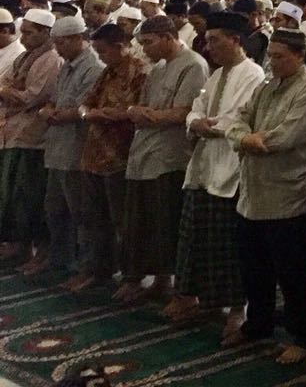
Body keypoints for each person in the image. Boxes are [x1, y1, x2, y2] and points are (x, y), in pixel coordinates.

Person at [225, 25, 306, 362]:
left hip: (289, 195)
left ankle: (305, 337)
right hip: (252, 192)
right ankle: (259, 323)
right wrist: (245, 139)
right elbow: (238, 120)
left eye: (280, 57)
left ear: (300, 56)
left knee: (296, 273)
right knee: (255, 268)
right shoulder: (268, 87)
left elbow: (287, 137)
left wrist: (253, 140)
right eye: (270, 56)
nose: (272, 63)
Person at [169, 11, 265, 333]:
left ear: (235, 40)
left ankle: (237, 310)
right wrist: (194, 122)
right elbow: (198, 108)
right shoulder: (215, 75)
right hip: (203, 163)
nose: (208, 47)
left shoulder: (252, 74)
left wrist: (209, 126)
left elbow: (239, 117)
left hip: (230, 168)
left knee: (228, 246)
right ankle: (190, 297)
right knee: (193, 238)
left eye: (214, 40)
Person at [117, 16, 208, 305]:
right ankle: (156, 280)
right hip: (144, 154)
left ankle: (174, 286)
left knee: (166, 223)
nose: (144, 50)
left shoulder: (193, 65)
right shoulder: (158, 68)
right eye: (141, 44)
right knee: (140, 223)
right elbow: (143, 108)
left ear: (168, 37)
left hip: (171, 157)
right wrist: (142, 113)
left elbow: (184, 112)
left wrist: (148, 116)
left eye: (149, 43)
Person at [76, 23, 147, 291]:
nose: (100, 56)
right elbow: (87, 102)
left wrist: (101, 114)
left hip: (120, 156)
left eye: (103, 51)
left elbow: (133, 111)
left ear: (119, 47)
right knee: (96, 219)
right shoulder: (107, 71)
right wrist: (88, 113)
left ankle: (131, 278)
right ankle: (100, 271)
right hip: (94, 153)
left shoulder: (138, 71)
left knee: (124, 222)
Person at [37, 16, 102, 281]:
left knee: (82, 213)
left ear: (77, 39)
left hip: (77, 150)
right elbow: (54, 101)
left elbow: (82, 108)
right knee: (55, 210)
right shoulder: (67, 66)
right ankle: (60, 260)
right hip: (57, 148)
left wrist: (54, 114)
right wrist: (52, 112)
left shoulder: (93, 68)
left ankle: (87, 267)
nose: (57, 48)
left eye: (60, 42)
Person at [0, 7, 61, 271]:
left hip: (35, 138)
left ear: (46, 33)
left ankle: (40, 252)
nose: (23, 37)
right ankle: (18, 246)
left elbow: (32, 96)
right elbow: (7, 84)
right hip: (15, 133)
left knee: (32, 198)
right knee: (13, 196)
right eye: (22, 32)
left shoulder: (50, 59)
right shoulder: (26, 57)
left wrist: (7, 91)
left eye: (28, 32)